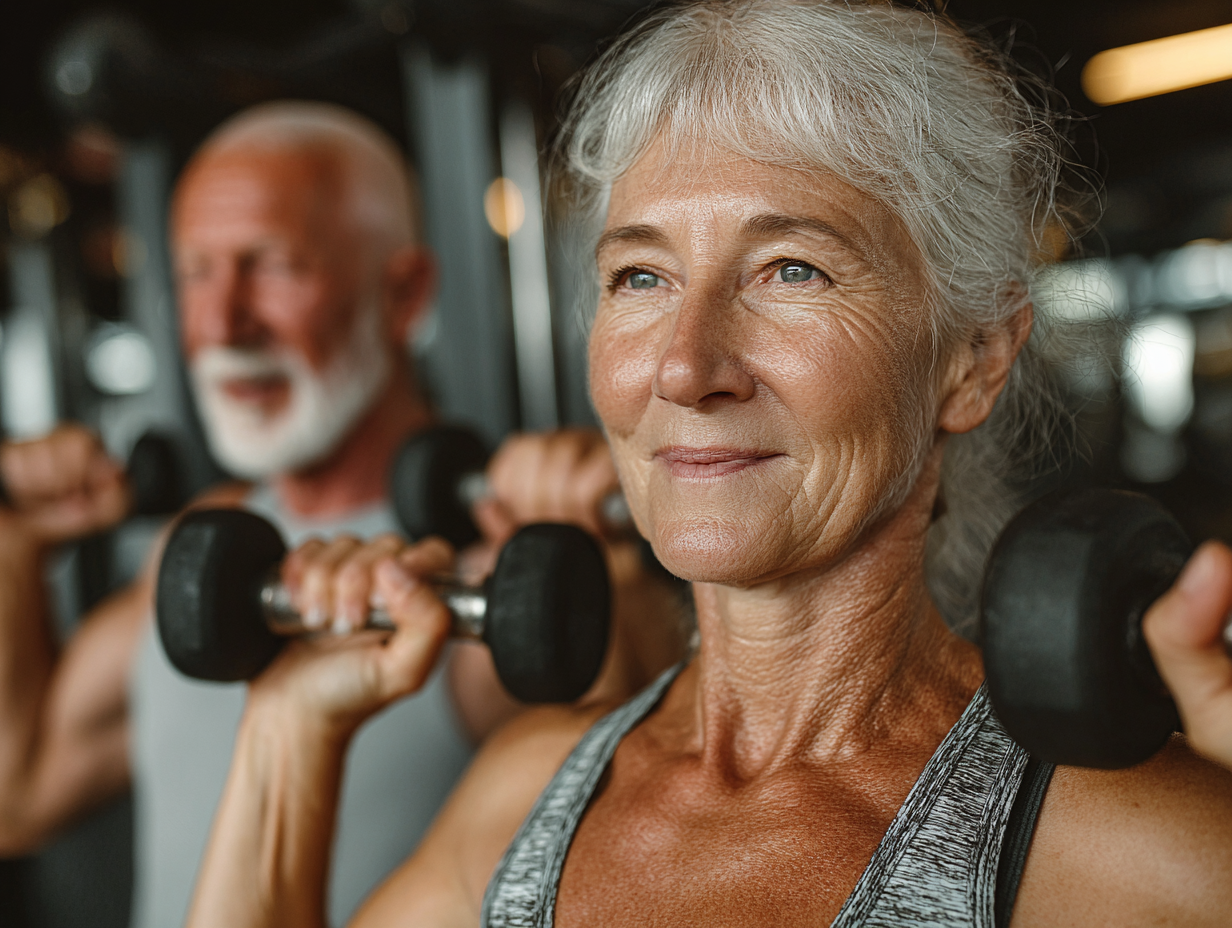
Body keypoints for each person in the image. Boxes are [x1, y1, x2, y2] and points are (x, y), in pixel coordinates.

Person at [185, 4, 1232, 926]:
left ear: (971, 360)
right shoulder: (522, 797)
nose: (685, 366)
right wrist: (287, 735)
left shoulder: (1130, 852)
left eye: (790, 268)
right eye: (640, 275)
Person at [0, 102, 687, 928]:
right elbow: (19, 793)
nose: (223, 324)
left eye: (275, 266)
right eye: (196, 272)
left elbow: (655, 848)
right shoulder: (198, 545)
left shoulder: (488, 580)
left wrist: (608, 571)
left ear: (404, 295)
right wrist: (15, 540)